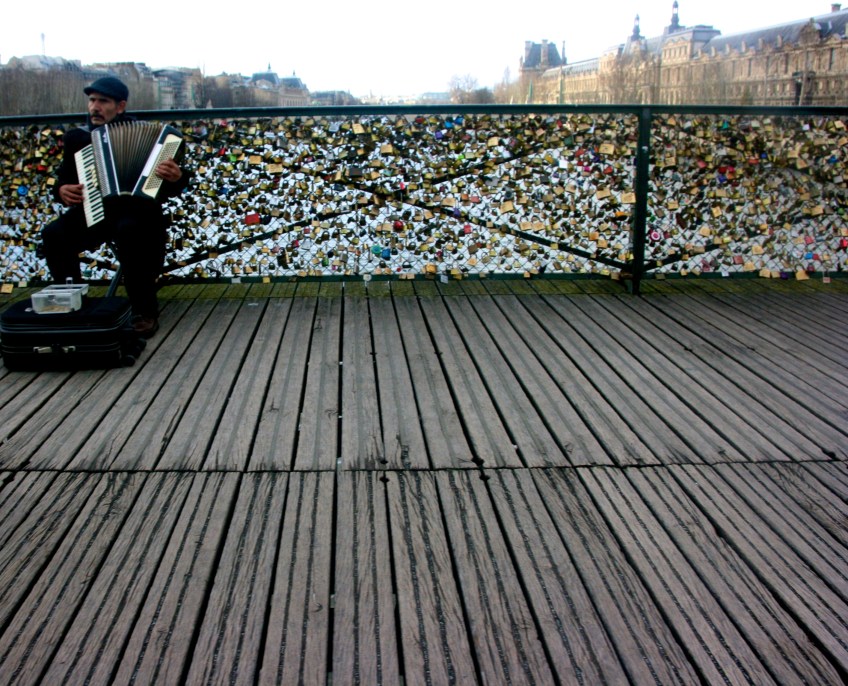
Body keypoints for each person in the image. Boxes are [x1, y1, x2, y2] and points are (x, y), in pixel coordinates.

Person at [41, 76, 190, 337]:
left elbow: (169, 189)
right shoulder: (78, 139)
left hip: (139, 214)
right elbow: (63, 180)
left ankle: (144, 311)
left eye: (103, 101)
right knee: (53, 234)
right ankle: (72, 305)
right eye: (91, 100)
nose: (94, 107)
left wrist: (178, 177)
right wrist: (61, 190)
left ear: (120, 106)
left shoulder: (156, 141)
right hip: (95, 212)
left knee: (130, 230)